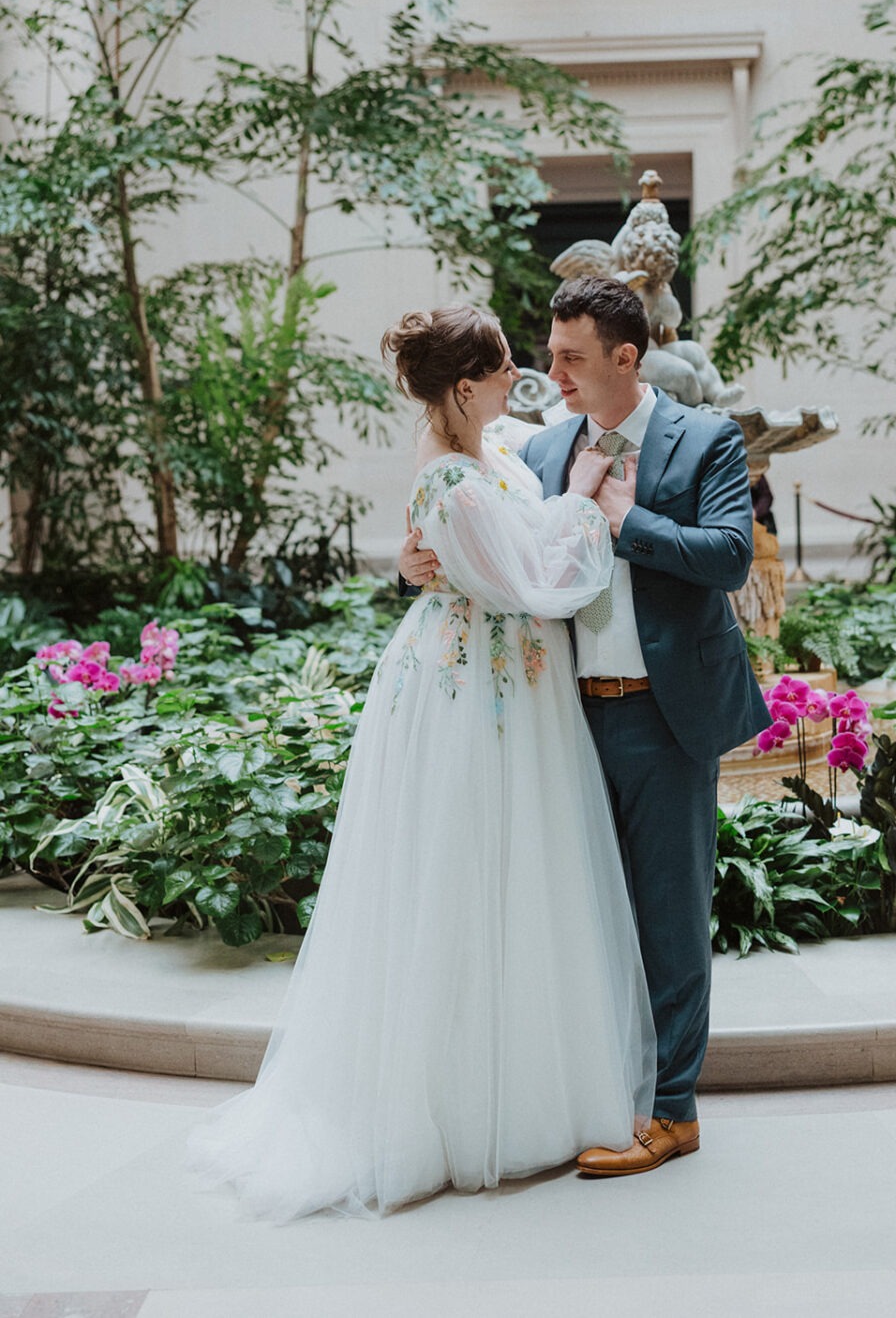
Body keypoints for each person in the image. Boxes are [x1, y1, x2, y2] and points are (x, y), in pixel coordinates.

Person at [188, 303, 656, 1220]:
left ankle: (520, 1086)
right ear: (465, 387)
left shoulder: (489, 447)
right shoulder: (453, 481)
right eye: (506, 369)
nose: (524, 379)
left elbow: (534, 443)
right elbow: (531, 586)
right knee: (462, 875)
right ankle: (447, 1110)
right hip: (469, 689)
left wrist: (584, 447)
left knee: (520, 879)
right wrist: (592, 506)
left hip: (506, 687)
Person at [401, 276, 770, 1176]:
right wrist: (414, 561)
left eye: (569, 357)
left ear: (625, 357)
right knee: (584, 915)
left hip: (663, 716)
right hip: (559, 719)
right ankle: (604, 1092)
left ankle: (673, 1113)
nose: (548, 373)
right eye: (549, 352)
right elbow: (471, 509)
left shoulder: (704, 437)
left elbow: (728, 556)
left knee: (671, 920)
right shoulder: (543, 444)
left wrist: (624, 518)